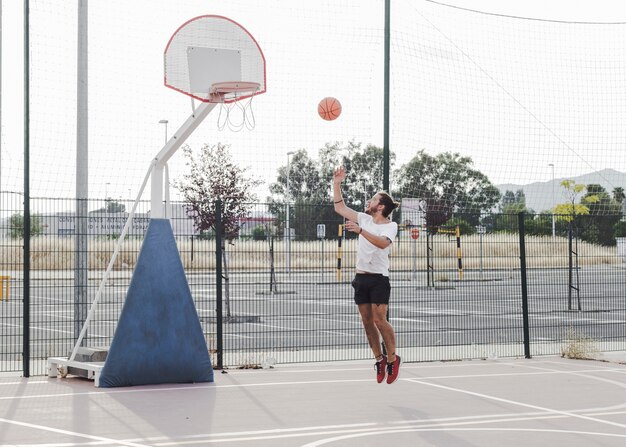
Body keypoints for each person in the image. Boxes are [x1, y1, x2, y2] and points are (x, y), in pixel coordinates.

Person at [332, 165, 401, 384]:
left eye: (372, 199)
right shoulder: (364, 217)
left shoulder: (390, 226)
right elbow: (340, 208)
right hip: (361, 278)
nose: (368, 202)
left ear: (380, 206)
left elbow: (382, 244)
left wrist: (361, 231)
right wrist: (337, 183)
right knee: (367, 322)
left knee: (380, 320)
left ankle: (392, 359)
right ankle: (379, 359)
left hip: (379, 278)